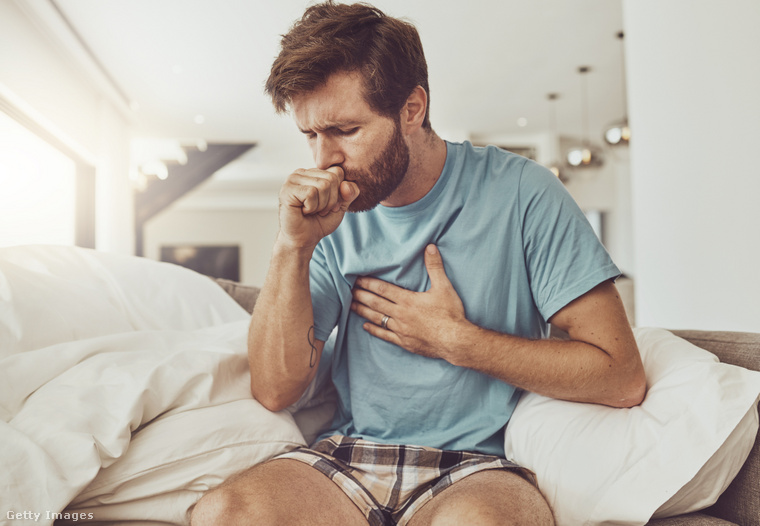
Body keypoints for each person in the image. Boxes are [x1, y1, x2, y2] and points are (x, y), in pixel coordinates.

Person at [191, 2, 646, 525]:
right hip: (348, 457)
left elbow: (620, 375)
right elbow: (273, 389)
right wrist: (291, 247)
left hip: (479, 467)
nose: (323, 161)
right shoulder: (330, 218)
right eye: (310, 135)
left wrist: (459, 341)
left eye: (344, 129)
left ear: (412, 109)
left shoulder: (523, 192)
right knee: (227, 513)